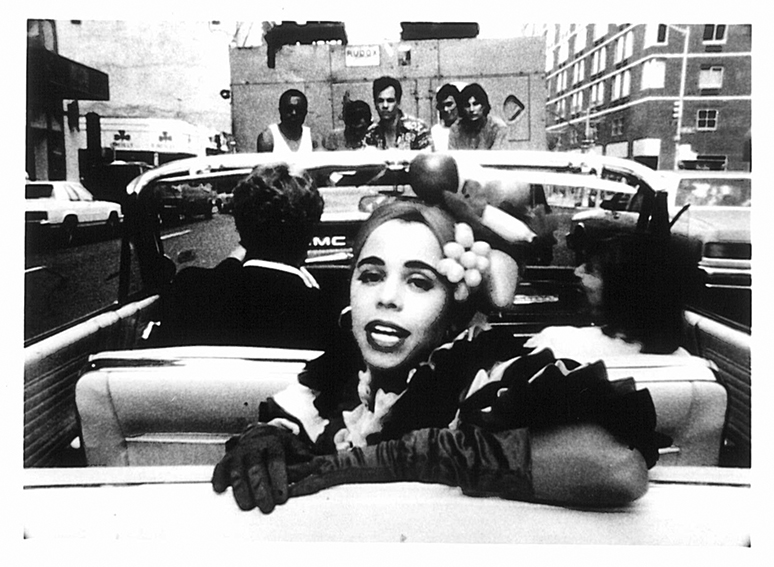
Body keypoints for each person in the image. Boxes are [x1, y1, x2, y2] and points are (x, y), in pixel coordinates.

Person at [212, 197, 667, 514]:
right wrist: (265, 434)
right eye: (371, 276)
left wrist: (398, 458)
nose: (387, 298)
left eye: (419, 282)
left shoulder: (485, 372)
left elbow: (618, 468)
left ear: (454, 313)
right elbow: (293, 417)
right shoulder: (341, 373)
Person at [151, 162, 331, 349]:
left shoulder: (189, 290)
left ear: (239, 225)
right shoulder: (322, 311)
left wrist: (237, 254)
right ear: (311, 232)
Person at [528, 229, 696, 360]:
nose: (577, 271)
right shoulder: (690, 365)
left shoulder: (555, 344)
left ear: (620, 291)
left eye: (591, 270)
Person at [364, 76, 432, 150]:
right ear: (375, 103)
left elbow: (427, 159)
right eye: (380, 101)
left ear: (398, 102)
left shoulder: (418, 130)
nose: (385, 106)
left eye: (390, 100)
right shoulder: (371, 133)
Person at [448, 83, 508, 150]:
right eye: (467, 105)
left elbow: (497, 158)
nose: (471, 109)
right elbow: (453, 157)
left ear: (483, 106)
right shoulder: (456, 129)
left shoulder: (497, 128)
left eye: (475, 104)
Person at [431, 83, 462, 152]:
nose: (445, 109)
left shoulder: (466, 129)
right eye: (442, 106)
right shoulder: (435, 131)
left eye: (449, 104)